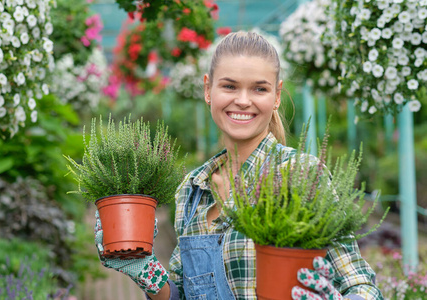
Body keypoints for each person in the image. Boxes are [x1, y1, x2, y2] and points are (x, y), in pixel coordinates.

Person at [94, 31, 383, 300]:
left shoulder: (301, 175)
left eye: (259, 89)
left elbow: (359, 283)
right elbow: (184, 293)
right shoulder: (192, 190)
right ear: (208, 89)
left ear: (276, 96)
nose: (243, 101)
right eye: (229, 86)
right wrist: (146, 271)